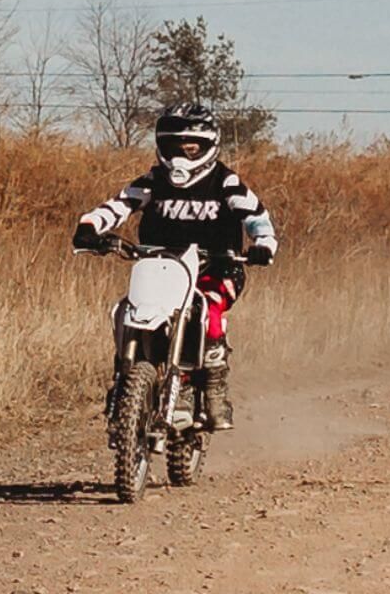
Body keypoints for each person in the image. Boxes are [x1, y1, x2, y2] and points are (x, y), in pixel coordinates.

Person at [71, 101, 277, 431]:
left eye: (191, 147)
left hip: (218, 269)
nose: (182, 155)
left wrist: (263, 244)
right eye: (174, 145)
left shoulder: (225, 182)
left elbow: (256, 218)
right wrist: (90, 228)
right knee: (125, 310)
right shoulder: (154, 181)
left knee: (205, 310)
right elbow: (119, 205)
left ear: (209, 146)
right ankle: (125, 378)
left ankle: (212, 387)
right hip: (160, 266)